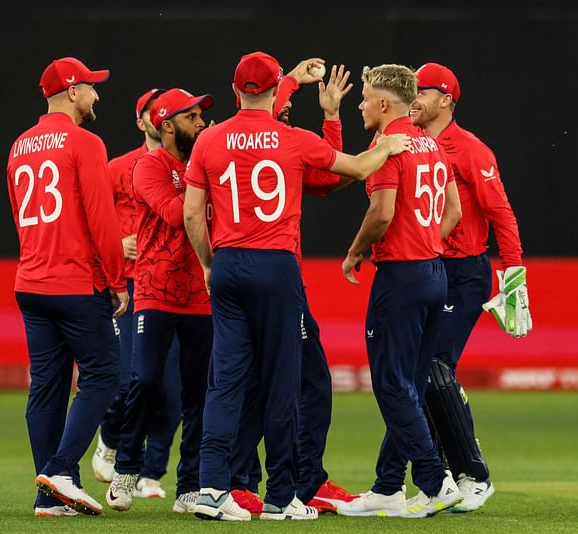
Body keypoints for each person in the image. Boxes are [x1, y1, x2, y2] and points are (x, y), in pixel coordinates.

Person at [183, 51, 410, 522]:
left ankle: (210, 489)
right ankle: (281, 495)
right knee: (284, 383)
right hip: (276, 267)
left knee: (225, 383)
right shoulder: (293, 140)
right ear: (272, 93)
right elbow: (353, 171)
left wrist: (209, 263)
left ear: (233, 89)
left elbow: (190, 214)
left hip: (227, 264)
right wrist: (386, 147)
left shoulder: (209, 140)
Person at [227, 58, 359, 516]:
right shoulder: (273, 140)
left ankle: (284, 479)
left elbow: (325, 179)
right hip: (275, 275)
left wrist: (327, 114)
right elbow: (341, 174)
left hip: (240, 271)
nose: (285, 110)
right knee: (286, 381)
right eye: (281, 104)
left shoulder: (243, 140)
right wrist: (304, 94)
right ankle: (261, 481)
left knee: (279, 380)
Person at [336, 63, 463, 519]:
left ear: (384, 103)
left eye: (366, 97)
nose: (362, 105)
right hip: (433, 273)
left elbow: (382, 212)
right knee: (407, 384)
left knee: (391, 385)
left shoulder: (388, 147)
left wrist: (354, 252)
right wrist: (428, 241)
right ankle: (389, 486)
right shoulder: (432, 142)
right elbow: (453, 210)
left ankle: (434, 480)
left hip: (402, 278)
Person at [6, 56, 127, 517]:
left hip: (31, 280)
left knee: (46, 388)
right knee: (104, 373)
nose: (97, 95)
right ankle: (59, 471)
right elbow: (102, 218)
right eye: (92, 87)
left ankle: (50, 497)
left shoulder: (19, 146)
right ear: (73, 91)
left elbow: (20, 217)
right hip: (74, 281)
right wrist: (116, 280)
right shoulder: (85, 142)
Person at [410, 62, 532, 512]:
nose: (414, 98)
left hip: (465, 274)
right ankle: (438, 476)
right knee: (419, 374)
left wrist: (514, 275)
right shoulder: (415, 144)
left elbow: (501, 213)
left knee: (434, 368)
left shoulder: (471, 150)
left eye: (422, 91)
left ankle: (474, 476)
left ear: (446, 99)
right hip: (427, 270)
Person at [105, 88, 214, 516]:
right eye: (192, 118)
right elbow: (175, 214)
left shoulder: (205, 160)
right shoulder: (149, 167)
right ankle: (126, 469)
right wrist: (206, 174)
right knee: (144, 381)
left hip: (202, 295)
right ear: (167, 125)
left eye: (202, 116)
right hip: (154, 290)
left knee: (197, 394)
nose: (201, 123)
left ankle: (189, 485)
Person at [92, 88, 182, 500]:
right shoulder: (116, 168)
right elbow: (92, 221)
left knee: (172, 392)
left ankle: (150, 472)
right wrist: (118, 243)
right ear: (141, 120)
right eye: (152, 112)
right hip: (128, 285)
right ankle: (110, 441)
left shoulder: (185, 165)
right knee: (130, 379)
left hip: (173, 283)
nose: (159, 117)